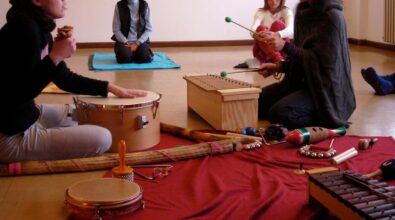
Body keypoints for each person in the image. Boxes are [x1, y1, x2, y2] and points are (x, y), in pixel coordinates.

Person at [0, 0, 147, 163]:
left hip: (27, 114)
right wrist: (55, 57)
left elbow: (64, 79)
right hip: (10, 135)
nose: (65, 1)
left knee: (82, 113)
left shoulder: (39, 29)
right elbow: (16, 94)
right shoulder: (22, 30)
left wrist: (111, 88)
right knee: (103, 138)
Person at [254, 0, 356, 130]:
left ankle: (325, 115)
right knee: (257, 103)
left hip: (325, 89)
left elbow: (324, 65)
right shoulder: (303, 12)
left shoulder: (333, 17)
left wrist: (284, 46)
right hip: (302, 81)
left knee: (280, 114)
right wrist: (279, 67)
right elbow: (303, 55)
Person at [235, 0, 294, 68]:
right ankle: (279, 60)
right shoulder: (260, 11)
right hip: (262, 51)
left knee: (278, 23)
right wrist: (255, 34)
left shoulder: (287, 11)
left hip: (278, 51)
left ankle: (262, 59)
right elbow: (252, 29)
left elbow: (291, 30)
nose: (274, 1)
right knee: (261, 28)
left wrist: (276, 34)